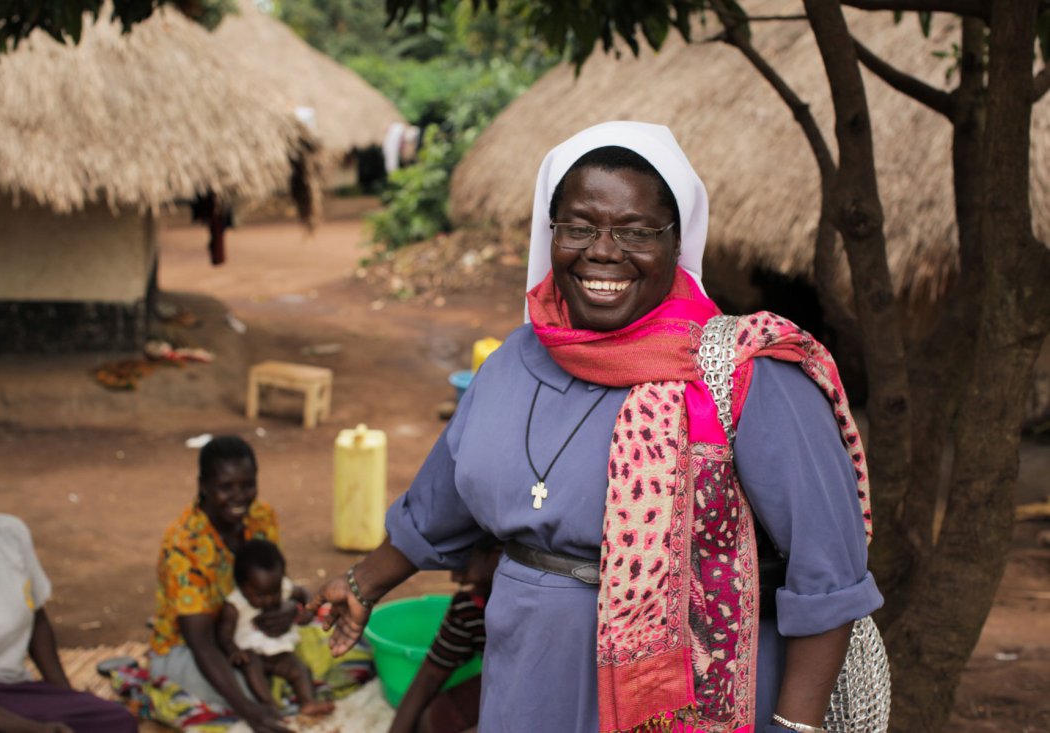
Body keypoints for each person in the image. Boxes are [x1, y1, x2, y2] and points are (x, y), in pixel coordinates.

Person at [314, 121, 882, 733]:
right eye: (580, 227)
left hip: (694, 700)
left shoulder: (745, 374)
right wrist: (361, 583)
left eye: (636, 231)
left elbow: (829, 575)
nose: (604, 251)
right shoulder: (512, 364)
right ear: (551, 233)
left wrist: (795, 727)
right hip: (527, 681)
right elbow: (442, 503)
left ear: (676, 241)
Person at [0, 449, 138, 733]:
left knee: (116, 721)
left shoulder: (10, 534)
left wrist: (66, 695)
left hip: (13, 690)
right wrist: (33, 730)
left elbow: (37, 618)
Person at [149, 435, 297, 733]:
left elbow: (276, 584)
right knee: (251, 688)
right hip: (188, 649)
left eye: (248, 485)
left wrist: (288, 609)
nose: (239, 497)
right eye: (226, 487)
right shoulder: (183, 544)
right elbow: (201, 642)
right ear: (203, 485)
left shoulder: (261, 516)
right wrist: (249, 711)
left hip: (248, 634)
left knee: (325, 647)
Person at [388, 538, 501, 733]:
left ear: (497, 555)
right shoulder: (470, 607)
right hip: (500, 687)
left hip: (544, 700)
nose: (454, 578)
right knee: (431, 721)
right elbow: (428, 678)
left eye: (461, 563)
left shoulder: (533, 614)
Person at [215, 539, 333, 717]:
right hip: (252, 655)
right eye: (260, 595)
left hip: (280, 653)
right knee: (252, 669)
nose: (269, 600)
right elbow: (224, 635)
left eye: (274, 592)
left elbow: (304, 594)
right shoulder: (234, 605)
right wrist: (233, 651)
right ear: (242, 586)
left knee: (300, 669)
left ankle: (308, 702)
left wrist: (309, 611)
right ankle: (270, 706)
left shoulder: (284, 586)